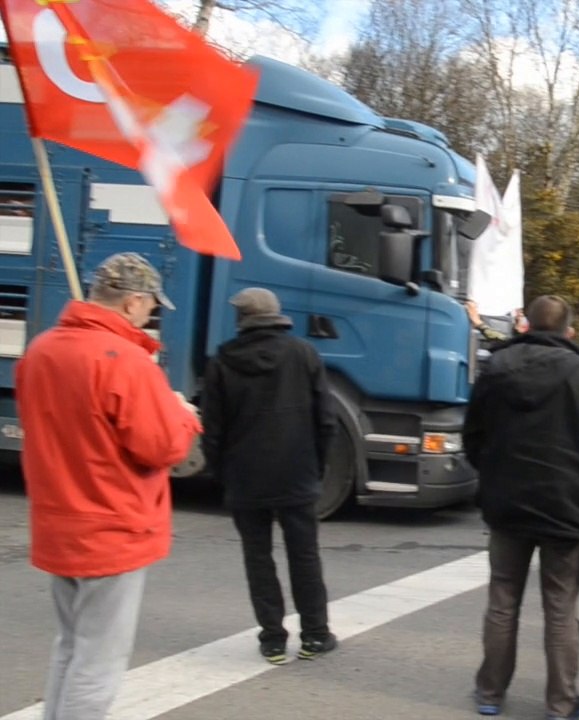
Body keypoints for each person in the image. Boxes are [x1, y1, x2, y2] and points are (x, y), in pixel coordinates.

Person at [16, 252, 202, 719]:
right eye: (150, 307)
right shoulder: (126, 361)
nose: (151, 315)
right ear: (133, 303)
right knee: (99, 661)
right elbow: (161, 448)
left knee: (71, 646)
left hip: (59, 519)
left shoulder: (40, 349)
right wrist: (181, 414)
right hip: (113, 524)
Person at [465, 296, 579, 720]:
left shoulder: (496, 368)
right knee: (561, 608)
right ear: (569, 330)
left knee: (502, 599)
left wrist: (492, 475)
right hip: (567, 506)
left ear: (527, 325)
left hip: (507, 502)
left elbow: (473, 434)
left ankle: (490, 692)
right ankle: (561, 703)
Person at [201, 288, 339, 664]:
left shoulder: (222, 362)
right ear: (276, 316)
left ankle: (273, 640)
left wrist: (222, 473)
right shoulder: (303, 354)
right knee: (304, 556)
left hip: (246, 477)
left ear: (241, 319)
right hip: (297, 473)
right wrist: (316, 466)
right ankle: (315, 635)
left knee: (257, 557)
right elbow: (326, 420)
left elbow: (212, 430)